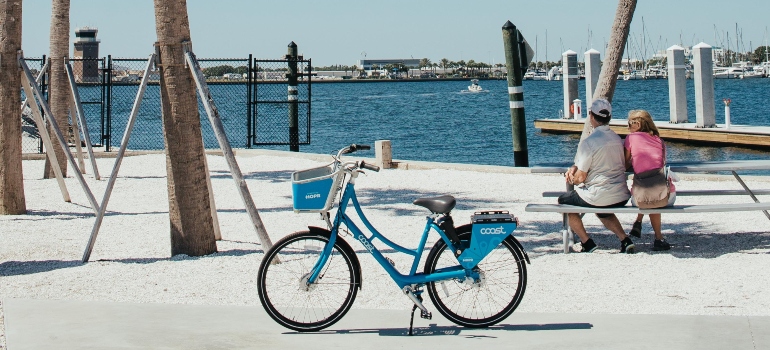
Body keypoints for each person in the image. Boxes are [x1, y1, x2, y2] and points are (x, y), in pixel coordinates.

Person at [559, 98, 636, 253]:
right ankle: (625, 239)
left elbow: (580, 178)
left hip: (597, 196)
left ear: (591, 116)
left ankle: (587, 242)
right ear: (609, 118)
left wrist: (571, 177)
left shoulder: (589, 142)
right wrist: (576, 166)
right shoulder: (617, 139)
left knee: (564, 202)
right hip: (621, 196)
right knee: (602, 208)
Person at [624, 110, 675, 251]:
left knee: (648, 195)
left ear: (638, 124)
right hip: (667, 195)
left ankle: (641, 223)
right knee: (653, 194)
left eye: (629, 124)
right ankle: (658, 238)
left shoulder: (631, 139)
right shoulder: (659, 140)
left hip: (642, 197)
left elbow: (624, 163)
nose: (627, 127)